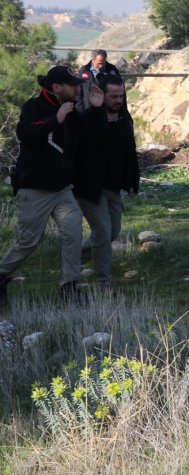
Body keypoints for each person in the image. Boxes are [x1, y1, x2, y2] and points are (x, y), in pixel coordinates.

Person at [0, 66, 104, 309]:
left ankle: (69, 289)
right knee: (28, 241)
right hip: (33, 189)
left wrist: (97, 109)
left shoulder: (71, 109)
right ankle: (1, 275)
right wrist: (55, 119)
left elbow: (90, 136)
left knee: (73, 234)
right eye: (72, 85)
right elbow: (25, 133)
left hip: (62, 190)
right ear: (57, 87)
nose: (77, 89)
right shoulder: (34, 106)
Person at [74, 74, 139, 288]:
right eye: (113, 96)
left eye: (121, 96)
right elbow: (93, 140)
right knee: (102, 231)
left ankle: (74, 259)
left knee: (112, 231)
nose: (118, 100)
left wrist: (133, 181)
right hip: (90, 187)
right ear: (102, 95)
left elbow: (130, 150)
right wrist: (96, 110)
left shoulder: (124, 118)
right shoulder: (89, 118)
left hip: (113, 186)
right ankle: (103, 281)